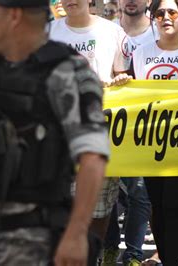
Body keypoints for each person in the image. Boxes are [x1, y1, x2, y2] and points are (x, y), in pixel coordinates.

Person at [0, 0, 109, 265]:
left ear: (14, 16)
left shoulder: (68, 71)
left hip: (36, 240)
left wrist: (76, 233)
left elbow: (93, 157)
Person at [111, 0, 178, 264]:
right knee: (158, 206)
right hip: (152, 146)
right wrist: (122, 82)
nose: (166, 17)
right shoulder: (140, 54)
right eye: (159, 13)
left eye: (172, 12)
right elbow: (132, 96)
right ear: (153, 18)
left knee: (176, 205)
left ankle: (171, 261)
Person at [48, 0, 129, 248]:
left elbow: (122, 74)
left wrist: (121, 78)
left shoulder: (114, 32)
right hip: (56, 138)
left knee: (100, 209)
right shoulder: (47, 31)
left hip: (99, 135)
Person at [100, 0, 155, 265]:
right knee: (106, 191)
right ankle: (110, 245)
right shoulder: (105, 30)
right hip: (110, 122)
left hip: (146, 125)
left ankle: (133, 253)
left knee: (140, 192)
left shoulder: (158, 31)